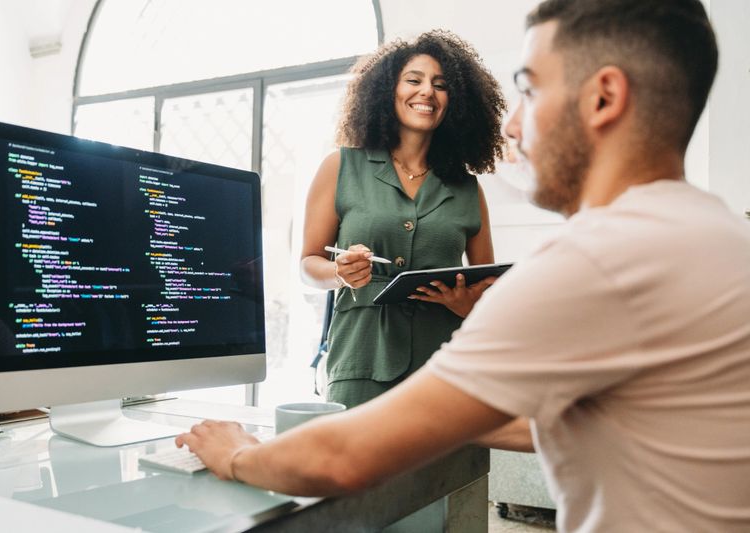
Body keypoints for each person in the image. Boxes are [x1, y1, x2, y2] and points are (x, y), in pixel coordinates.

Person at [177, 1, 750, 531]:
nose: (511, 125)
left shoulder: (596, 261)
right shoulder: (725, 240)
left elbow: (344, 458)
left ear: (602, 97)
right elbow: (603, 421)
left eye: (529, 90)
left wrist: (236, 453)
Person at [300, 30, 507, 408]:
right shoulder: (340, 167)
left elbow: (488, 285)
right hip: (361, 362)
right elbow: (308, 266)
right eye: (414, 80)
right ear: (386, 92)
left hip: (448, 368)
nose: (427, 91)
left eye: (440, 85)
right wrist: (340, 272)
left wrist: (468, 304)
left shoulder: (467, 188)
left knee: (449, 470)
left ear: (455, 103)